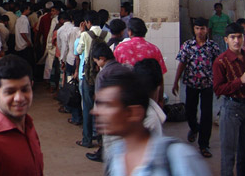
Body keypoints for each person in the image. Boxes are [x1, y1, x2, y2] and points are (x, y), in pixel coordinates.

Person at [94, 71, 211, 176]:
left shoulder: (178, 158)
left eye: (107, 105)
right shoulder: (115, 158)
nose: (96, 111)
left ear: (133, 113)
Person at [172, 17, 220, 158]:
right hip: (191, 83)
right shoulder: (187, 45)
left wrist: (219, 84)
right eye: (197, 28)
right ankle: (194, 128)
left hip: (208, 85)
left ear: (207, 30)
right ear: (194, 29)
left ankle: (204, 145)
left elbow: (218, 66)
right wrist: (176, 82)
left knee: (206, 115)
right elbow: (182, 64)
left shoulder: (213, 47)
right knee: (190, 112)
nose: (200, 31)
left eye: (203, 28)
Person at [212, 23, 245, 176]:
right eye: (233, 38)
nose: (236, 41)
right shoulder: (220, 61)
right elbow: (218, 89)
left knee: (243, 153)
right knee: (228, 153)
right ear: (226, 39)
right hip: (231, 108)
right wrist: (240, 81)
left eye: (239, 37)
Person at [76, 11, 111, 148]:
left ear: (87, 22)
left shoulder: (85, 35)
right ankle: (102, 139)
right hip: (103, 75)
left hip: (88, 75)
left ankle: (87, 139)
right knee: (103, 107)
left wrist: (81, 34)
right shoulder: (106, 34)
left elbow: (79, 51)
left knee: (88, 108)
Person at [114, 17, 167, 105]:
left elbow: (114, 73)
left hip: (126, 96)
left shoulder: (120, 48)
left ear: (130, 32)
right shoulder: (154, 49)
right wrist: (160, 100)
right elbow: (160, 78)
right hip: (149, 98)